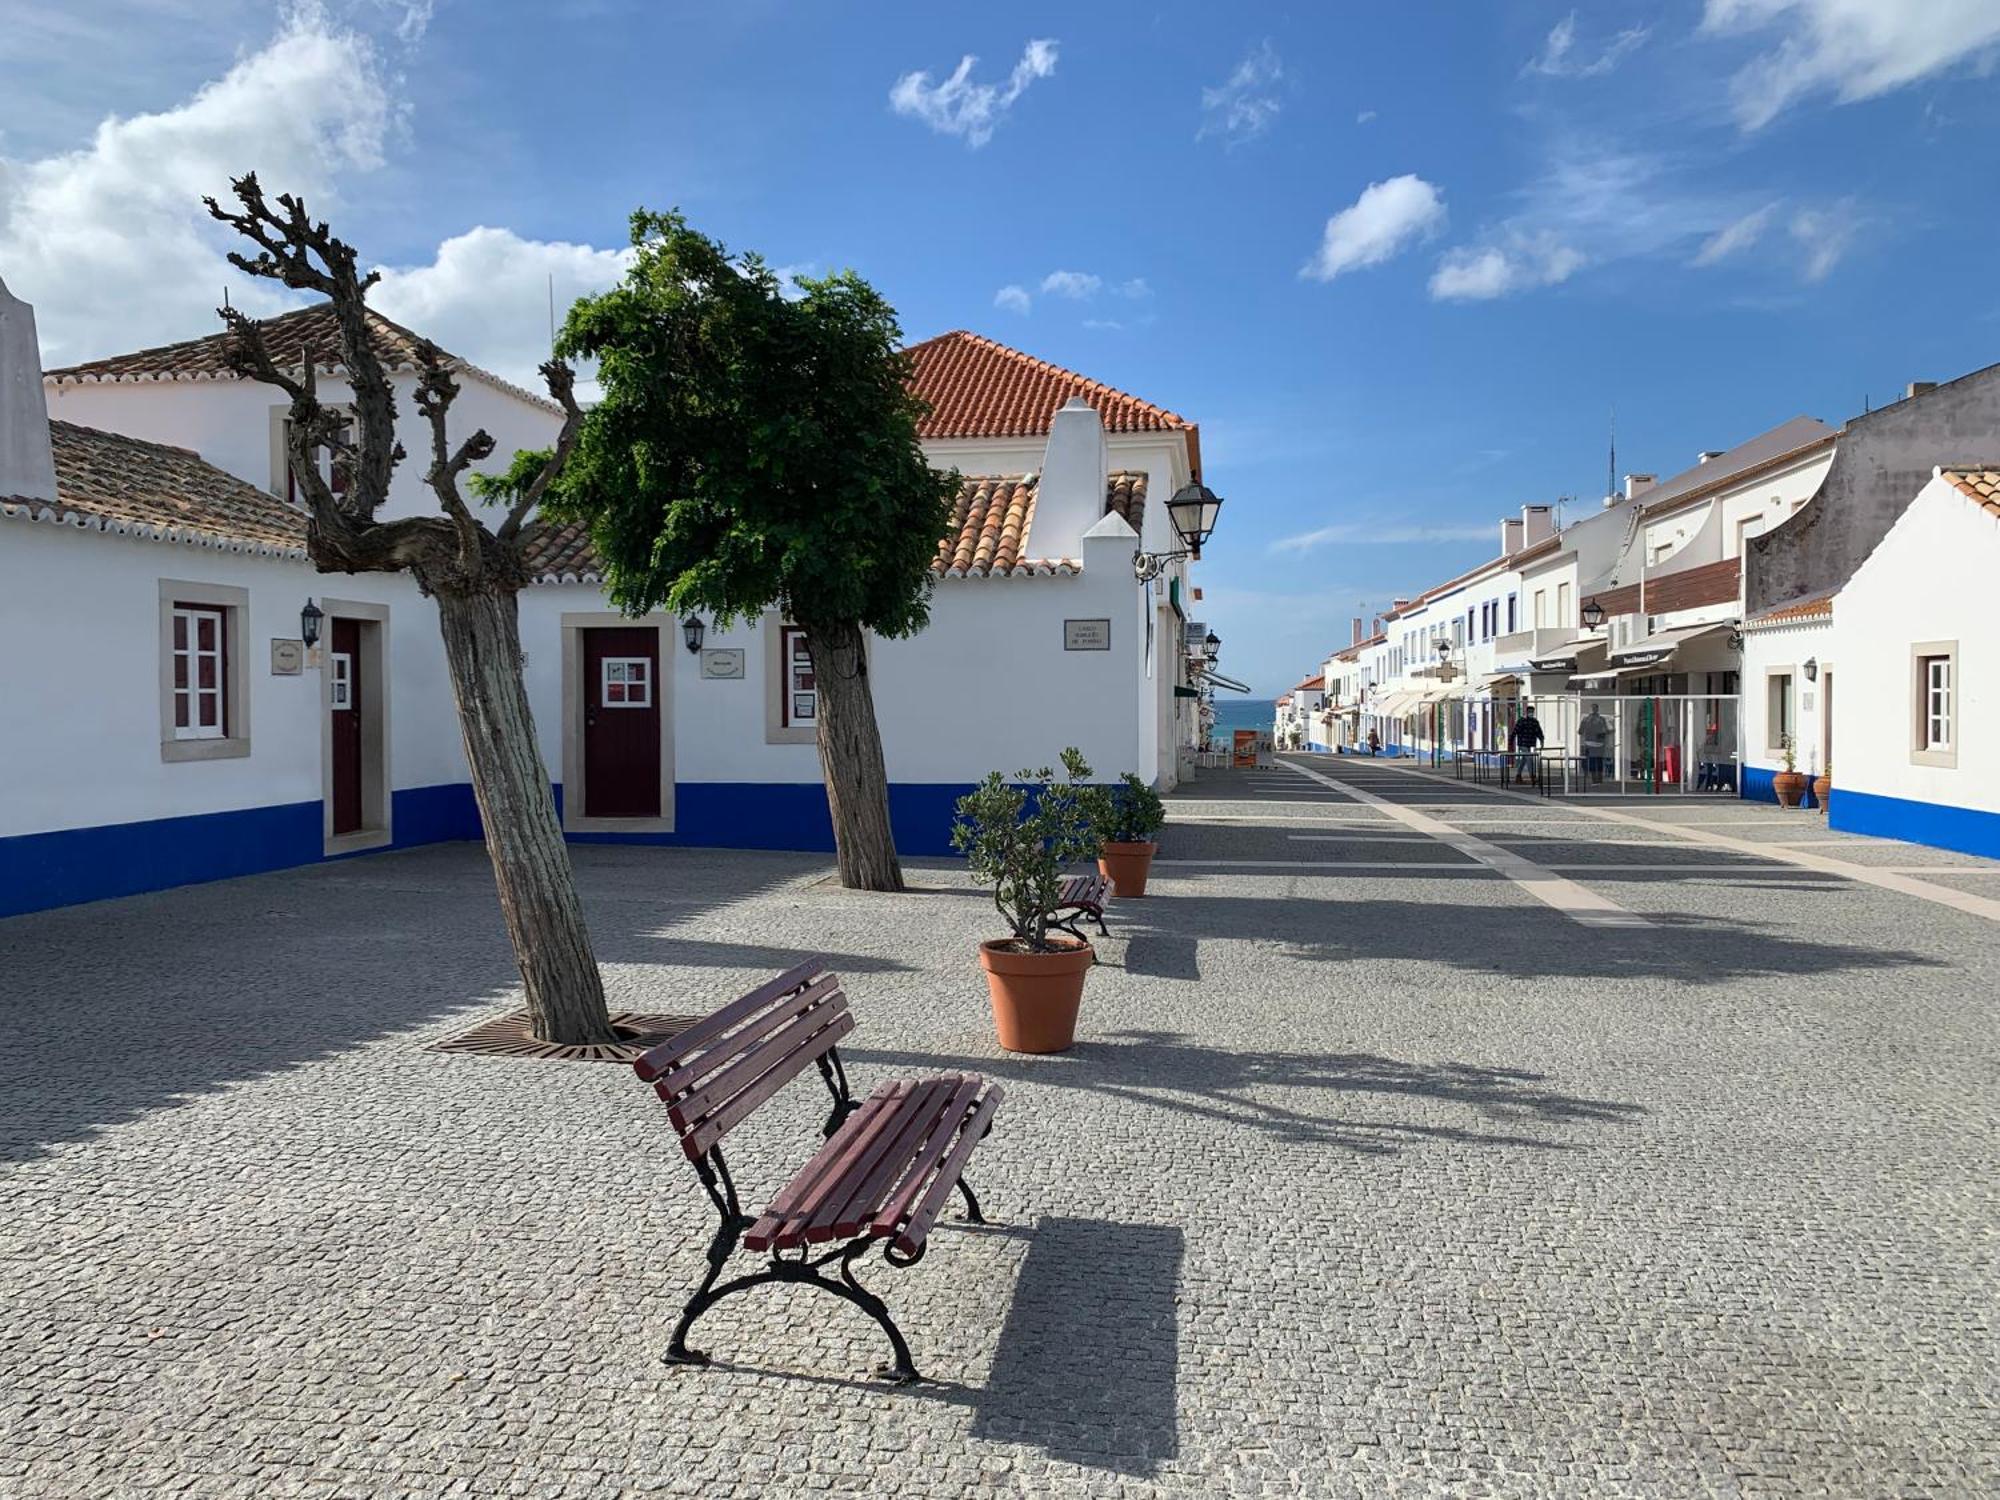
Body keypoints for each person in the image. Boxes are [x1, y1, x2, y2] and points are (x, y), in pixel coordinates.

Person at [1508, 706, 1545, 784]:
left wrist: (1542, 740)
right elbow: (1515, 730)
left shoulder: (1535, 721)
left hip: (1530, 743)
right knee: (1529, 758)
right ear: (1527, 712)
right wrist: (1511, 741)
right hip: (1522, 743)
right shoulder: (1521, 721)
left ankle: (1518, 776)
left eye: (1532, 712)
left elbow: (1539, 731)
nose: (1531, 713)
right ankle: (1533, 776)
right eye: (1530, 711)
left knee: (1524, 760)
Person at [1579, 703, 1611, 784]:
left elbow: (1580, 731)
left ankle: (1594, 780)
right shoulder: (1602, 719)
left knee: (1592, 760)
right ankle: (1599, 780)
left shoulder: (1585, 719)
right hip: (1600, 743)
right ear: (1597, 709)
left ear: (1590, 709)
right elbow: (1606, 731)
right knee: (1599, 760)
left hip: (1589, 743)